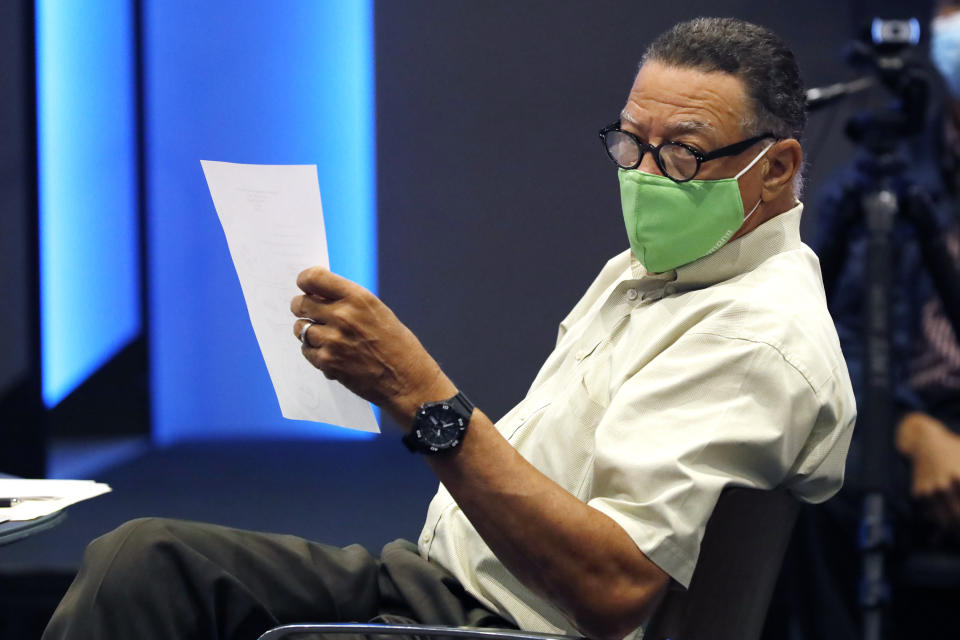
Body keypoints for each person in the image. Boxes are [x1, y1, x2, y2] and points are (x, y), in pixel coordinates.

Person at [42, 17, 855, 640]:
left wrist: (415, 391)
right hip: (440, 584)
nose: (644, 176)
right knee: (144, 560)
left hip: (499, 628)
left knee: (142, 578)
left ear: (776, 167)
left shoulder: (754, 339)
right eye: (630, 144)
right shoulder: (655, 275)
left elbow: (612, 592)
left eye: (681, 153)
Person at [764, 3, 960, 639]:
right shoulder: (898, 170)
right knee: (809, 482)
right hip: (910, 413)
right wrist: (908, 424)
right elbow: (831, 330)